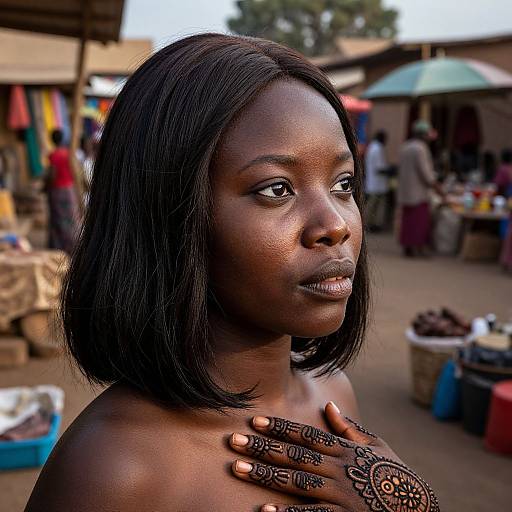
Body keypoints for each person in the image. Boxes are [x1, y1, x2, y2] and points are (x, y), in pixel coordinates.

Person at [25, 35, 439, 512]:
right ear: (169, 215)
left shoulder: (333, 396)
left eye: (343, 184)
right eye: (277, 189)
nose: (335, 225)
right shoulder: (113, 471)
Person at [397, 120, 444, 258]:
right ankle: (418, 248)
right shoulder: (421, 148)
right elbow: (426, 174)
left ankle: (408, 248)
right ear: (423, 135)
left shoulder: (405, 147)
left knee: (408, 222)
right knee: (419, 222)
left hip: (406, 191)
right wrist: (437, 187)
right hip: (418, 193)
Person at [45, 129, 80, 253]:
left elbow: (53, 174)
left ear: (52, 140)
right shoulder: (68, 154)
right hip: (69, 190)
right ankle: (73, 245)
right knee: (71, 218)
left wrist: (46, 186)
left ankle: (61, 246)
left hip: (58, 191)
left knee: (58, 219)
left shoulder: (53, 155)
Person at [364, 130, 389, 232]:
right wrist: (391, 170)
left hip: (372, 183)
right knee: (374, 207)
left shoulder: (372, 147)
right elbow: (380, 168)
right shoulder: (378, 148)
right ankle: (371, 225)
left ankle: (369, 225)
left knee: (371, 206)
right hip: (377, 184)